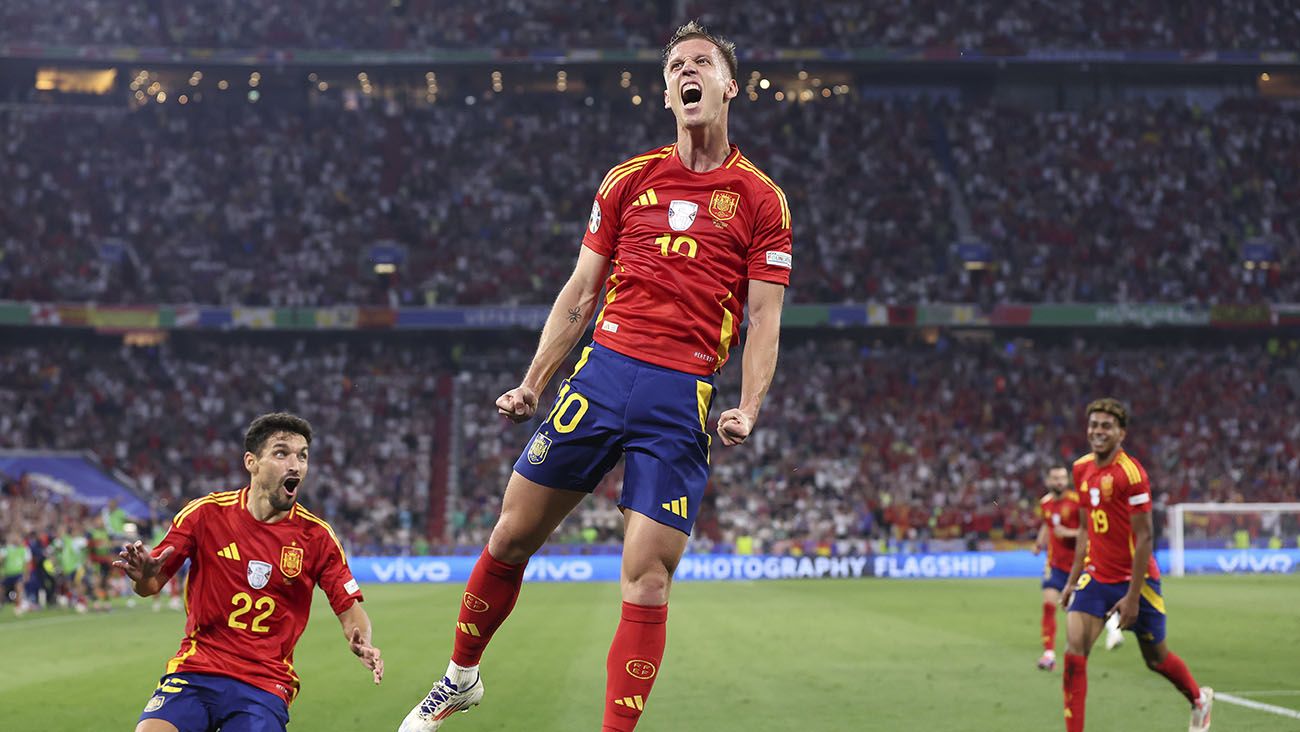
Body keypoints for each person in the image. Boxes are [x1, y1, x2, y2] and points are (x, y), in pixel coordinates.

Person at [399, 19, 791, 732]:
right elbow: (581, 293)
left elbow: (764, 319)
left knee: (646, 576)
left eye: (702, 62)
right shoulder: (627, 180)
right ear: (666, 90)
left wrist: (748, 406)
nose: (687, 71)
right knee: (510, 536)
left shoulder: (761, 200)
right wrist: (532, 382)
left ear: (729, 86)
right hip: (602, 375)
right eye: (676, 65)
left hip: (681, 392)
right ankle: (459, 678)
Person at [114, 412, 384, 732]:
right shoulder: (205, 514)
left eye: (303, 456)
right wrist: (144, 576)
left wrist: (362, 640)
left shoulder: (318, 538)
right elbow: (151, 584)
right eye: (281, 453)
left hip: (264, 684)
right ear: (251, 462)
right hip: (196, 671)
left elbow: (350, 611)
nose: (295, 465)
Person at [1059, 399, 1212, 732]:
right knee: (1074, 653)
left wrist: (1131, 598)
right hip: (1096, 576)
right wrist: (1072, 580)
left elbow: (1145, 539)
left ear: (1121, 433)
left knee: (1155, 659)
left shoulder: (1132, 475)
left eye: (1106, 426)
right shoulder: (1081, 468)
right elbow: (1085, 528)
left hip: (1136, 581)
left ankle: (1199, 700)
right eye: (1094, 425)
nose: (1098, 432)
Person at [1033, 466, 1121, 671]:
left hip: (1079, 564)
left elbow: (1090, 529)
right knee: (1048, 604)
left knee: (1085, 607)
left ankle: (1113, 630)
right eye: (1055, 478)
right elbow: (1047, 525)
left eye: (1063, 477)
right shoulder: (1045, 503)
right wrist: (1039, 543)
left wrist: (1069, 533)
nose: (1060, 482)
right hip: (1054, 564)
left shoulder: (1077, 501)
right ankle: (1048, 654)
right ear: (1048, 480)